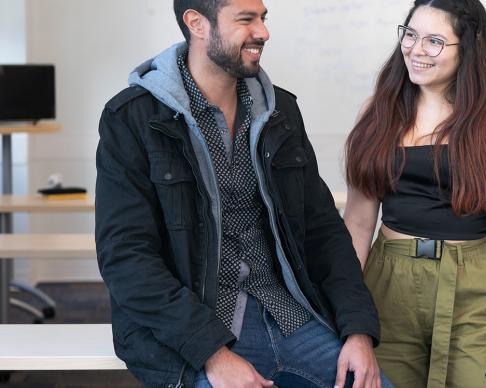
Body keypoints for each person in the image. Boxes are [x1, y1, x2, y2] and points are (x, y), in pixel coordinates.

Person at [95, 0, 390, 387]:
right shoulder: (133, 118)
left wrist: (357, 331)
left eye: (263, 18)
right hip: (198, 331)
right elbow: (126, 258)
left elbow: (323, 231)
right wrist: (213, 355)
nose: (263, 32)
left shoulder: (280, 109)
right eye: (246, 19)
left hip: (290, 313)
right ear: (197, 24)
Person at [343, 0, 486, 387]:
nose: (416, 50)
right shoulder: (379, 113)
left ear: (468, 47)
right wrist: (348, 322)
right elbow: (358, 226)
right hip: (389, 280)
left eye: (434, 41)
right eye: (410, 36)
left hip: (473, 283)